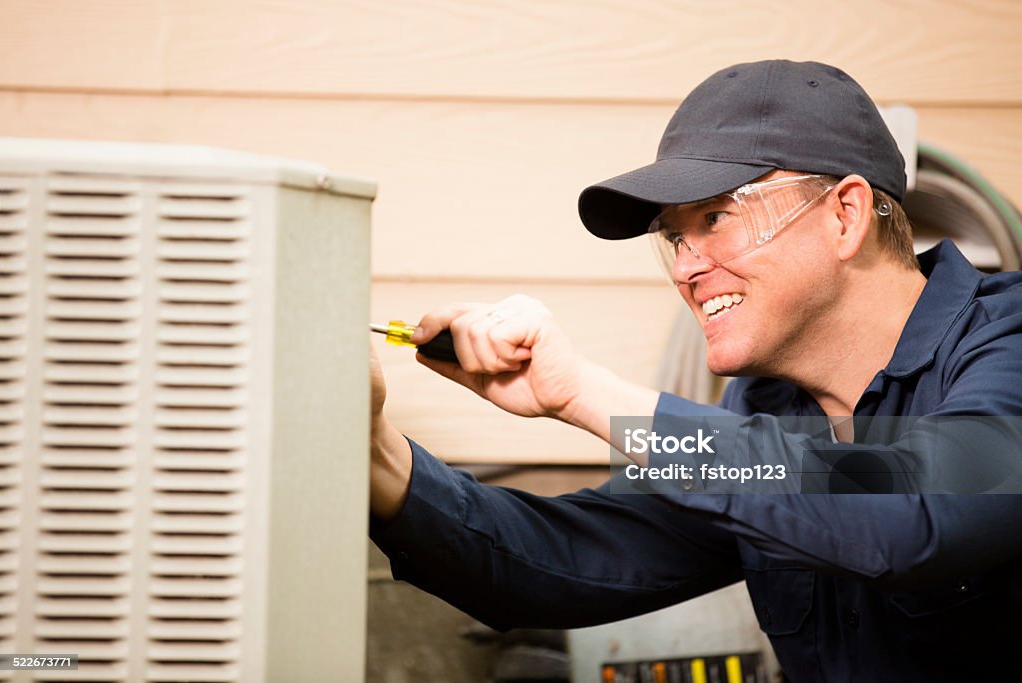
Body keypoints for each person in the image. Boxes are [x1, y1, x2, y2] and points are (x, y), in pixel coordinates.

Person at [367, 60, 1022, 682]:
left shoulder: (1007, 344)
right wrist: (374, 452)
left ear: (845, 215)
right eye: (676, 236)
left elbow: (917, 509)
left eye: (715, 217)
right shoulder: (763, 411)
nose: (684, 267)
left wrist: (586, 393)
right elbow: (560, 562)